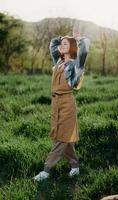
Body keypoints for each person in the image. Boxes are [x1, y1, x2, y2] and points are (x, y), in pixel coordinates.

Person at [33, 30, 90, 181]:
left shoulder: (75, 65)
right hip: (55, 103)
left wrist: (78, 39)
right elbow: (53, 45)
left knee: (61, 139)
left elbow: (84, 50)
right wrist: (61, 38)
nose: (61, 45)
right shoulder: (58, 62)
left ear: (72, 47)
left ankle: (46, 170)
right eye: (62, 43)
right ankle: (75, 166)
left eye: (65, 43)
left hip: (67, 103)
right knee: (62, 137)